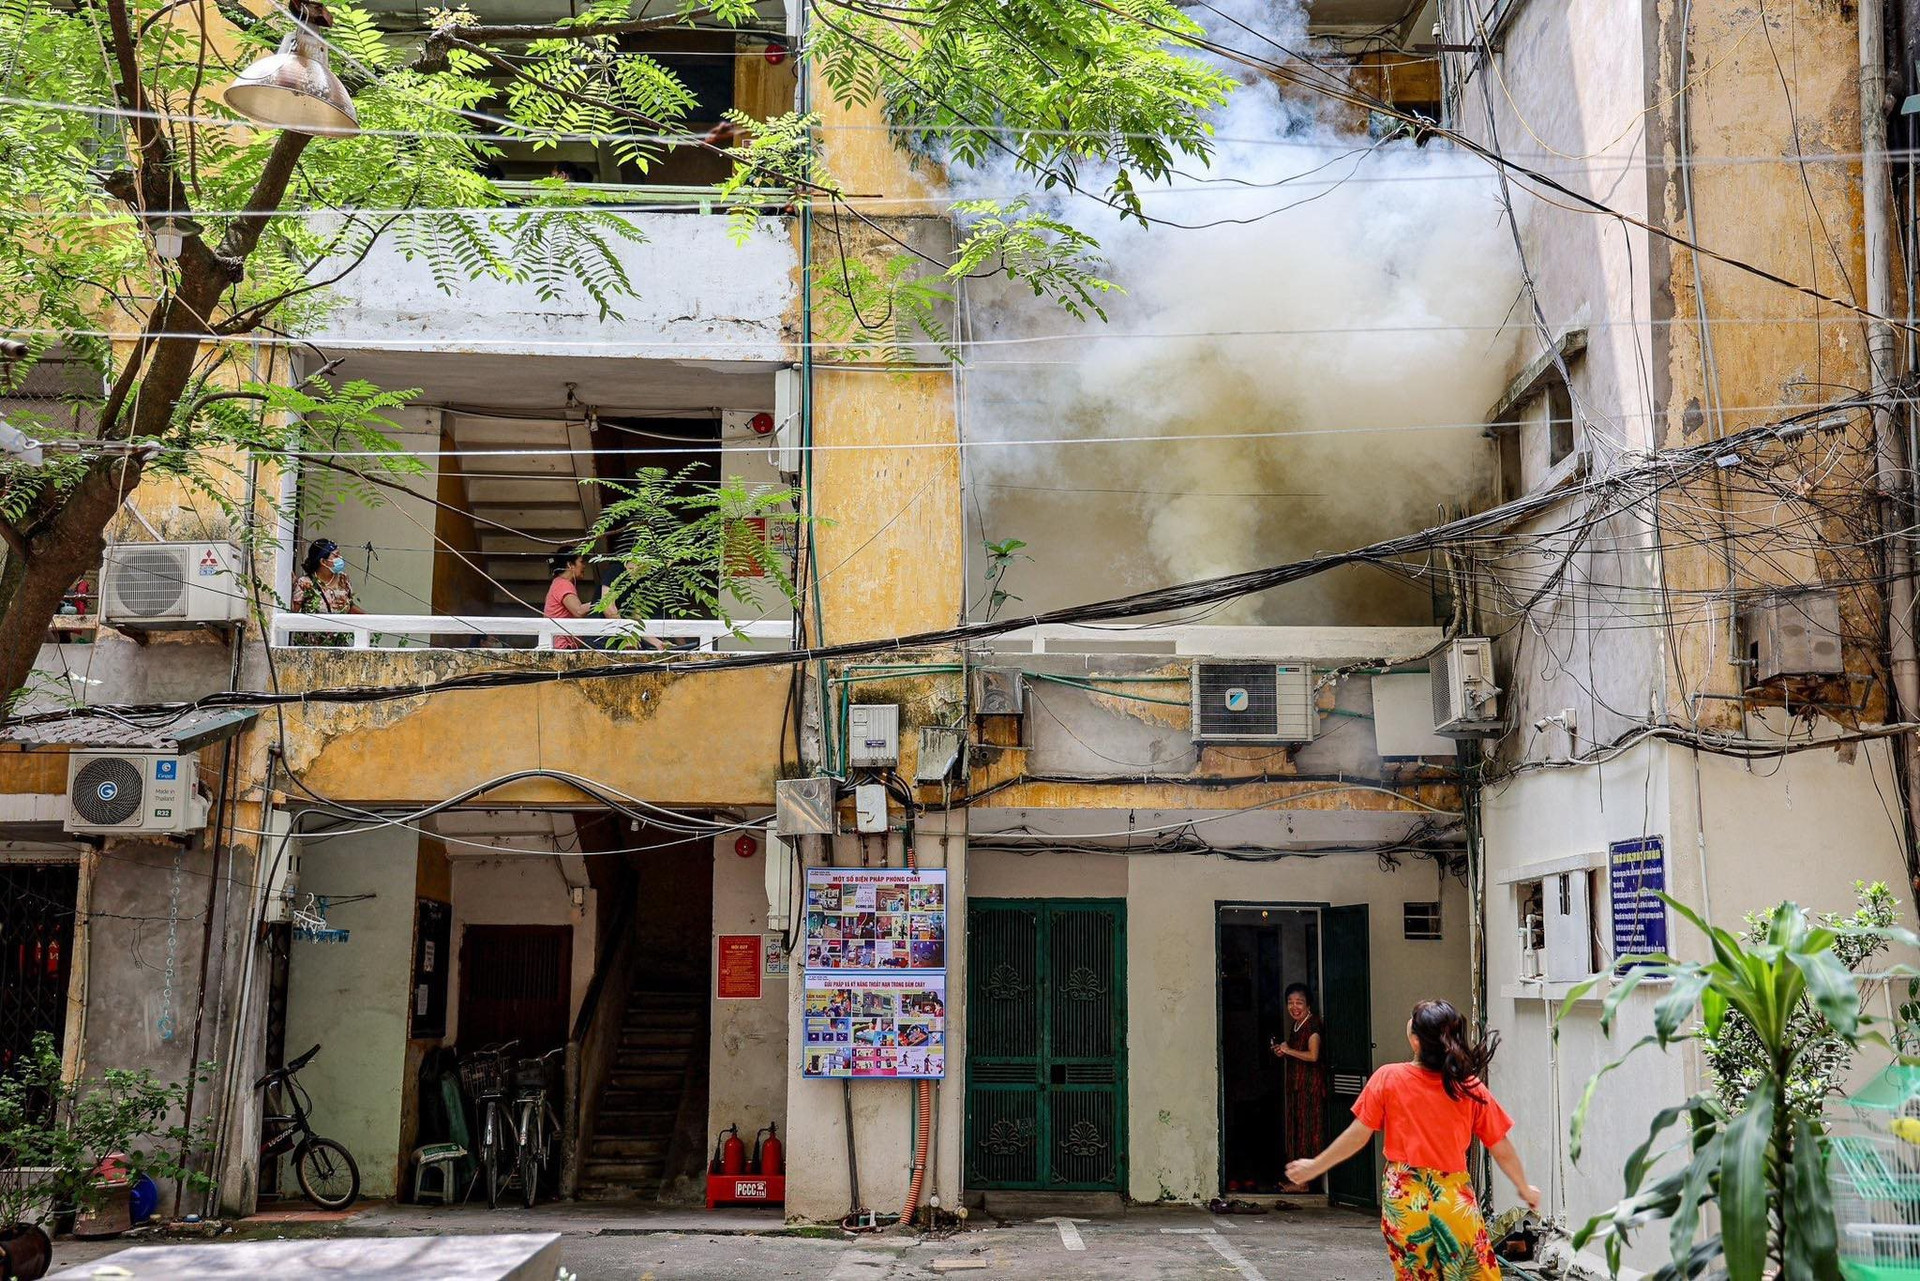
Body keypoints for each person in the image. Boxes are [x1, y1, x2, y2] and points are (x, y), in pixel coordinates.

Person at [1285, 999, 1541, 1280]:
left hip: (1404, 1198)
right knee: (1472, 1273)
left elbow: (1357, 1136)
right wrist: (1523, 1187)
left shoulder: (1388, 1078)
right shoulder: (1468, 1086)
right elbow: (1499, 1145)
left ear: (1416, 1041)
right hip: (1452, 1197)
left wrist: (1315, 1166)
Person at [1270, 982, 1327, 1193]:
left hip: (1309, 1090)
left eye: (1299, 1003)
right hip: (1297, 1088)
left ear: (1308, 1004)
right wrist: (1284, 1051)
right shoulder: (1297, 1025)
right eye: (1290, 1003)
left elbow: (1313, 1055)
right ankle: (1298, 1180)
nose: (1294, 1007)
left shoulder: (1312, 1026)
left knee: (1307, 1135)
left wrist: (1289, 1050)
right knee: (1296, 1133)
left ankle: (1304, 1182)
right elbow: (1295, 1051)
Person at [289, 538, 363, 646]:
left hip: (339, 645)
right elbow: (294, 612)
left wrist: (370, 618)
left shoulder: (343, 579)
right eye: (336, 556)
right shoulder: (305, 583)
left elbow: (349, 606)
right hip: (311, 646)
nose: (340, 559)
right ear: (323, 561)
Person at [543, 552, 596, 649]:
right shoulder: (563, 584)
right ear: (570, 565)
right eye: (581, 562)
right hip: (563, 647)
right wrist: (603, 602)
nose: (584, 566)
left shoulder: (558, 582)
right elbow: (578, 611)